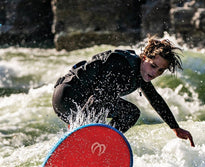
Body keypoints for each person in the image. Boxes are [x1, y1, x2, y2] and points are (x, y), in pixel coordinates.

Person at [52, 38, 195, 147]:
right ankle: (93, 143)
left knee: (129, 112)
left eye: (160, 70)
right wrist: (88, 135)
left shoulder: (141, 72)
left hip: (78, 101)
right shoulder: (123, 65)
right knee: (126, 111)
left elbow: (155, 99)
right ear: (144, 57)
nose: (155, 72)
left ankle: (96, 143)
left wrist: (175, 127)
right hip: (68, 96)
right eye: (153, 66)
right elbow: (99, 98)